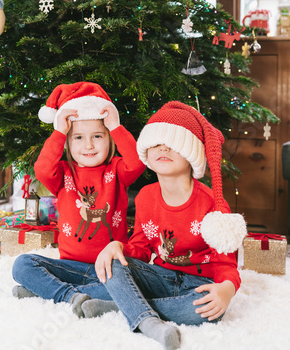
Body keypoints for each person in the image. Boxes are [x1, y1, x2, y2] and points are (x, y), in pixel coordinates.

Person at [90, 101, 247, 350]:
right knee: (115, 265)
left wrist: (226, 289)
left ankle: (124, 305)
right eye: (155, 143)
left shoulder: (212, 203)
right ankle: (149, 321)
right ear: (147, 153)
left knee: (210, 312)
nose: (163, 147)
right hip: (161, 277)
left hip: (197, 285)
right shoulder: (145, 197)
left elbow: (225, 264)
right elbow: (141, 249)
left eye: (173, 144)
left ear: (192, 155)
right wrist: (117, 246)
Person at [12, 81, 145, 318]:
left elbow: (137, 162)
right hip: (70, 267)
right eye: (78, 138)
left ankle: (49, 292)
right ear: (67, 142)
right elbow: (42, 169)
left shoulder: (117, 171)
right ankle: (71, 295)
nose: (89, 145)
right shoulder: (62, 173)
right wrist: (58, 132)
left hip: (109, 269)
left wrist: (116, 126)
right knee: (22, 265)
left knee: (132, 284)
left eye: (97, 136)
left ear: (109, 139)